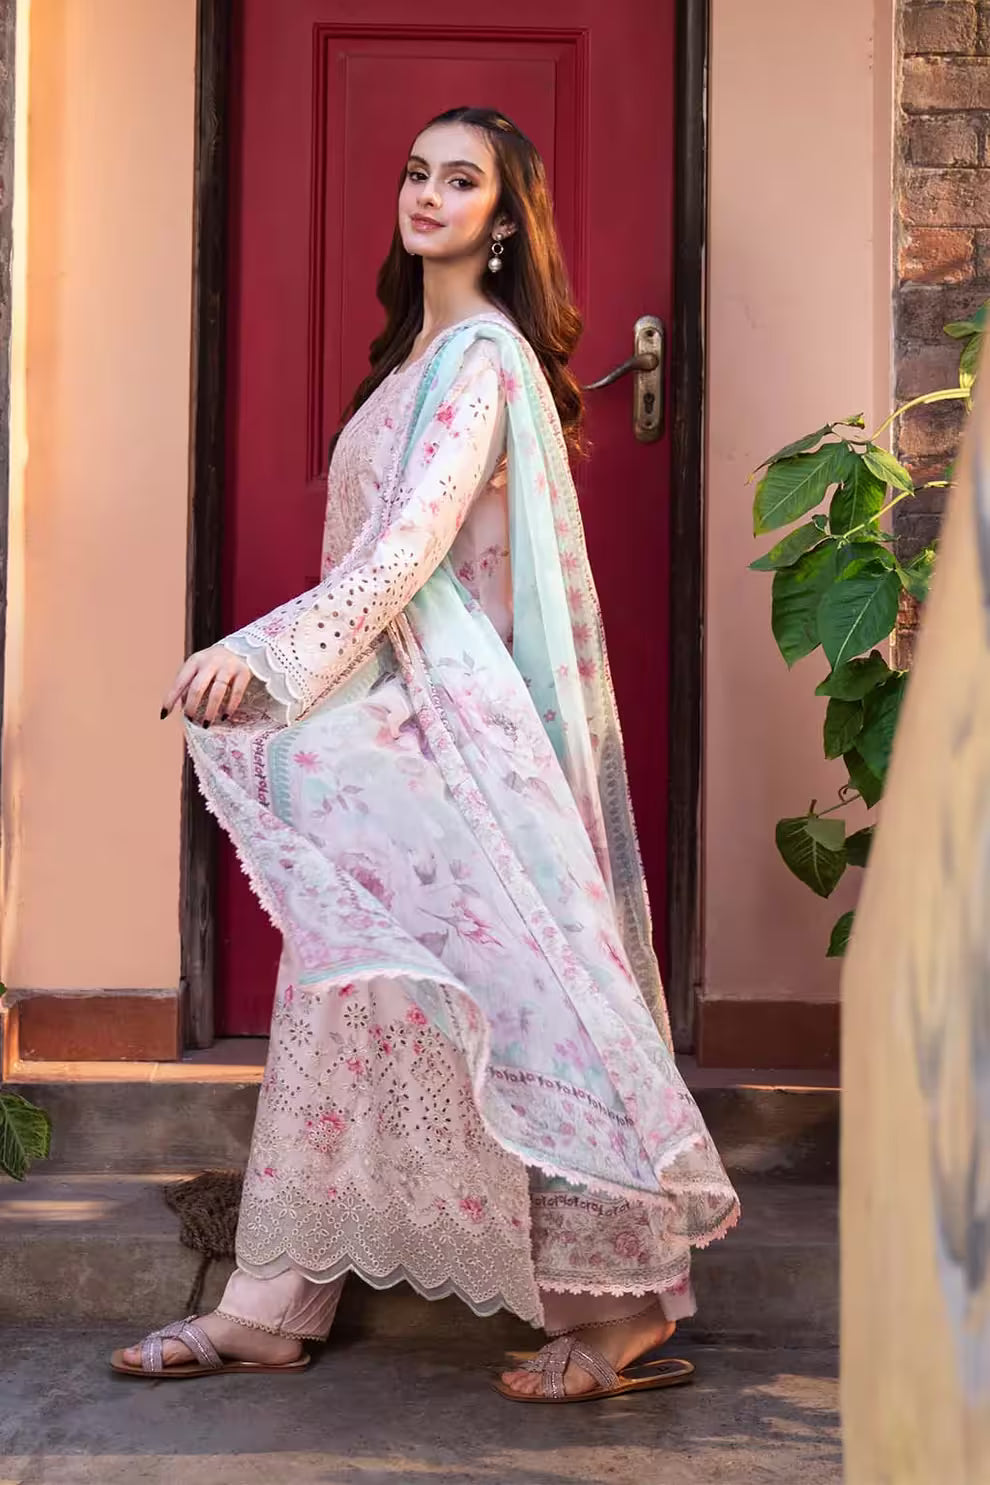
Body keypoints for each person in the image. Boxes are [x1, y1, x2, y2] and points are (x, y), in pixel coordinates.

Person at [112, 105, 739, 1402]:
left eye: (462, 181)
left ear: (506, 220)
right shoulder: (412, 360)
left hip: (458, 733)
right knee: (345, 996)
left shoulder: (485, 359)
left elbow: (404, 552)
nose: (428, 195)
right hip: (390, 723)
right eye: (415, 172)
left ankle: (615, 1309)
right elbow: (380, 559)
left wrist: (271, 652)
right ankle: (275, 1298)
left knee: (517, 1012)